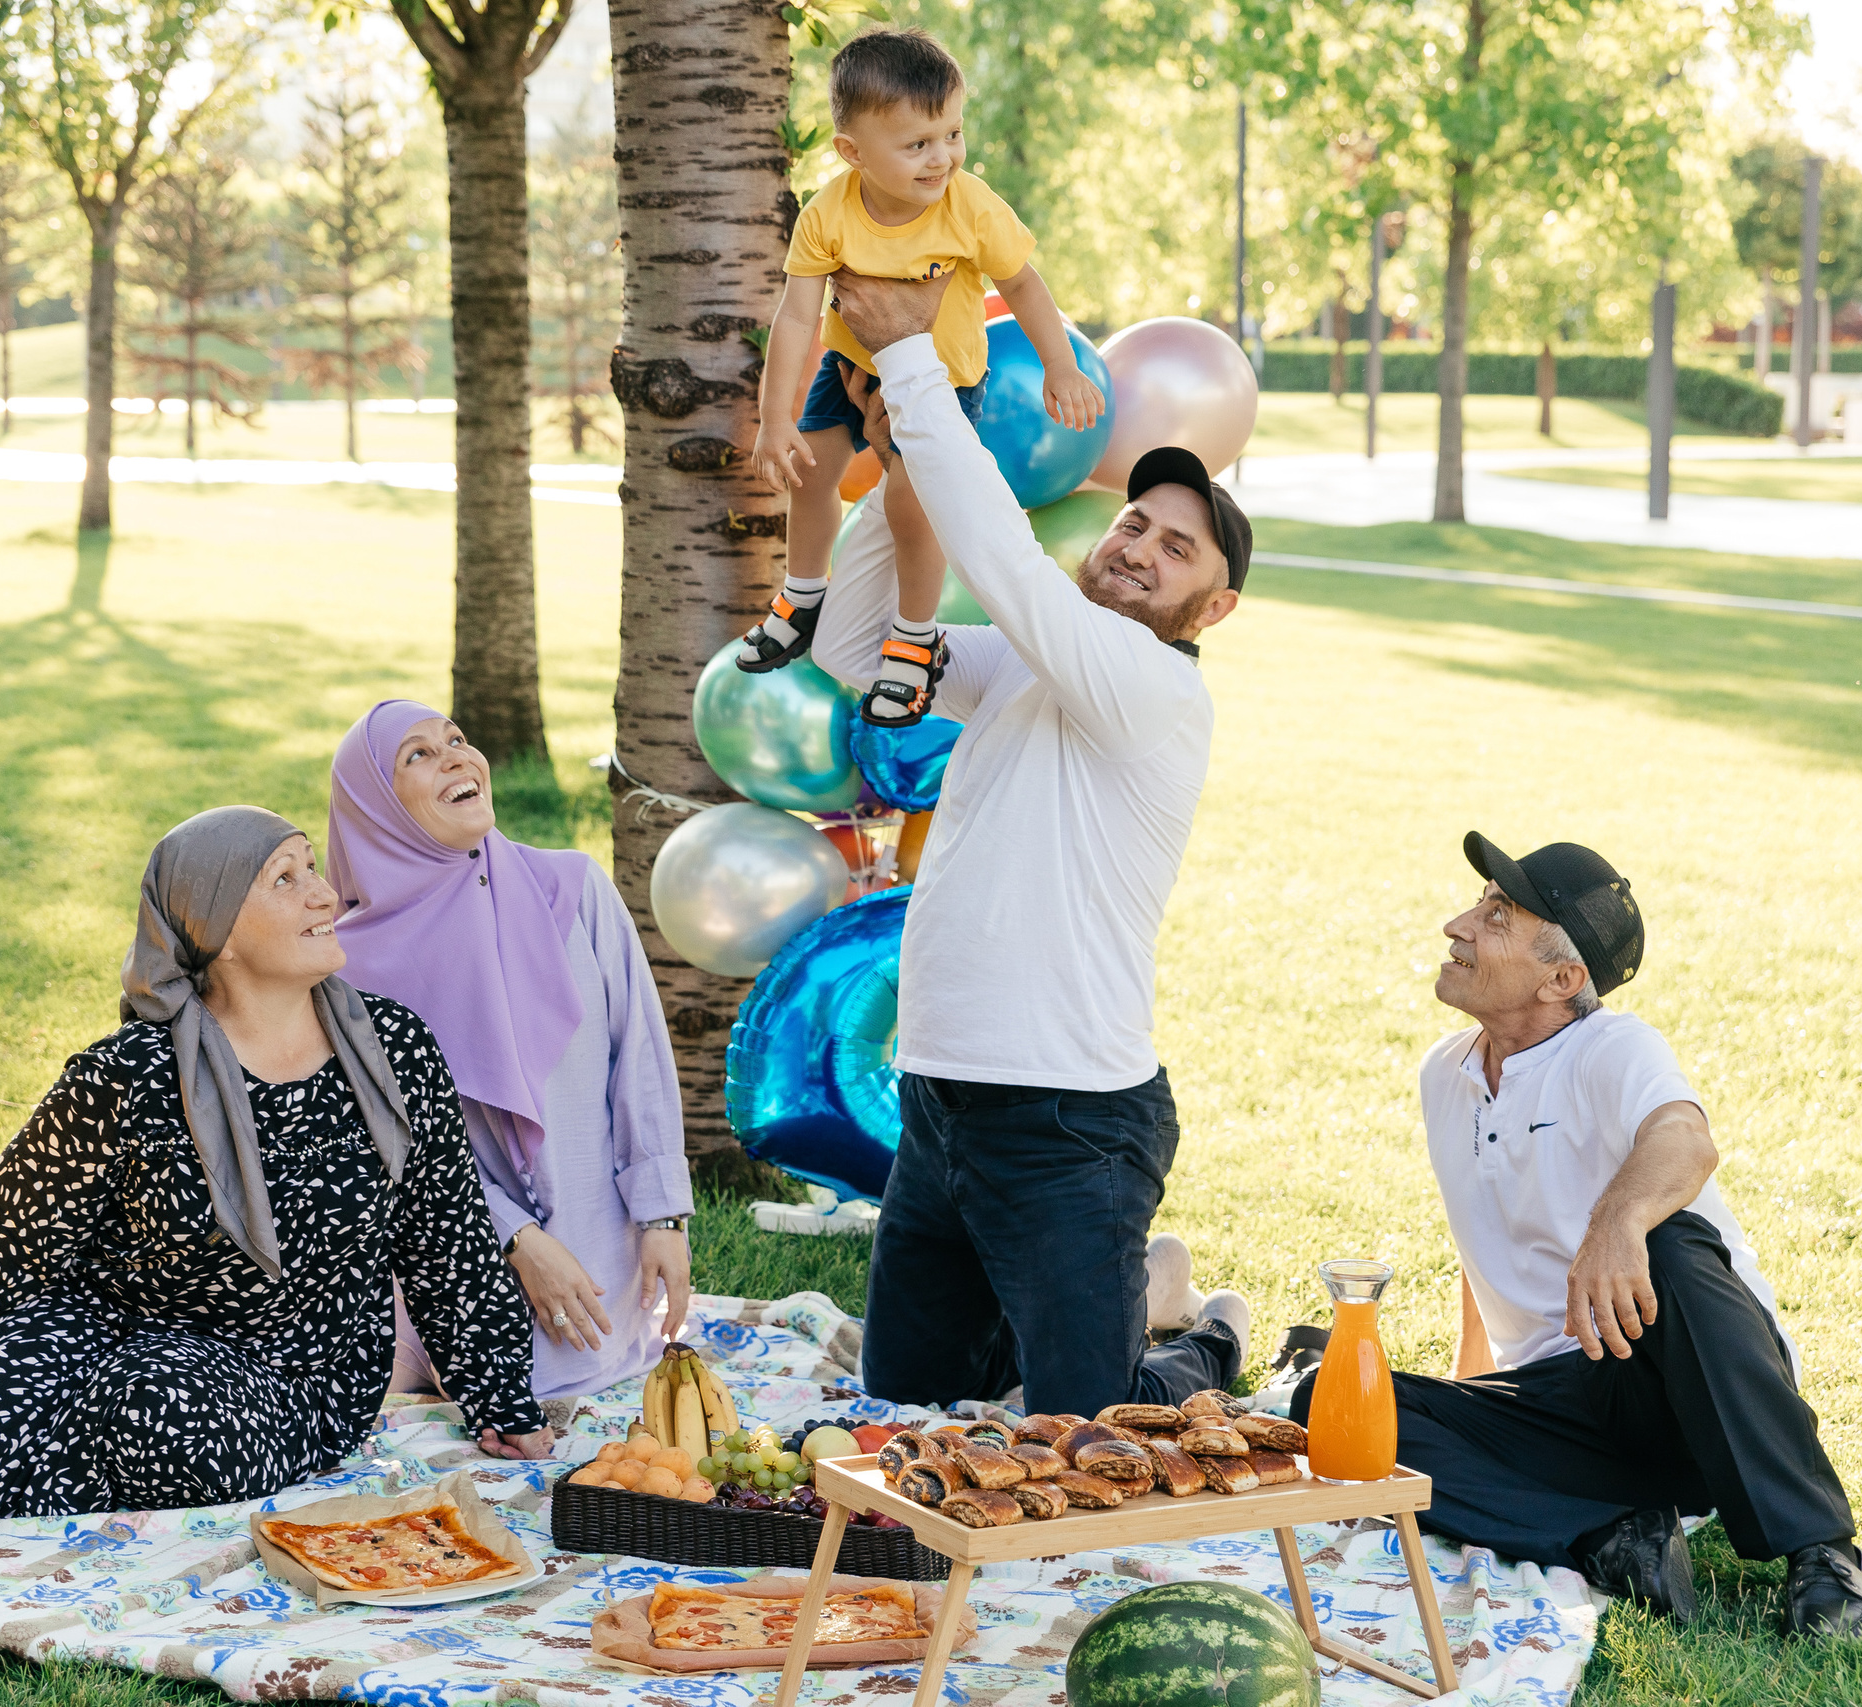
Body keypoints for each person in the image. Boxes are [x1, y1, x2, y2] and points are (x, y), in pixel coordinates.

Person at [803, 267, 1254, 1419]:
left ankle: (1203, 1340)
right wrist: (891, 470)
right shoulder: (1026, 668)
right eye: (1132, 523)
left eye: (1178, 550)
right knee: (906, 1400)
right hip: (941, 1109)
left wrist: (912, 371)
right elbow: (858, 648)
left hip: (1068, 1125)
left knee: (1089, 1428)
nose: (1139, 548)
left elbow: (1005, 565)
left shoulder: (1154, 688)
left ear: (1212, 608)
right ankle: (1109, 1298)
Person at [0, 806, 549, 1525]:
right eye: (286, 878)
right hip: (104, 1326)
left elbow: (448, 1239)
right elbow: (0, 1242)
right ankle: (64, 1459)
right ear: (217, 932)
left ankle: (70, 1463)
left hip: (293, 1375)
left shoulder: (393, 1049)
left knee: (160, 1406)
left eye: (313, 868)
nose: (324, 895)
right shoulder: (130, 1074)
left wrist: (501, 1398)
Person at [1291, 834, 1862, 1638]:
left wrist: (1618, 1222)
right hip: (1567, 1405)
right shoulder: (1445, 1072)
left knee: (1671, 1245)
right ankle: (1613, 1536)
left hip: (1693, 1384)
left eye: (1495, 916)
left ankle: (1824, 1553)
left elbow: (1685, 1138)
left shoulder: (1613, 1047)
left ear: (1563, 978)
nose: (1456, 924)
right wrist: (1470, 1401)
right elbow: (1488, 1241)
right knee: (1328, 1400)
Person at [325, 700, 695, 1402]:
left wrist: (663, 1216)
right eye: (419, 754)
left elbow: (637, 1058)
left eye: (458, 739)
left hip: (603, 1260)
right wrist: (514, 1236)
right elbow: (389, 1155)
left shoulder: (575, 889)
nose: (458, 757)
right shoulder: (346, 971)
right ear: (375, 806)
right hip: (455, 1266)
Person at [736, 26, 1104, 729]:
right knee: (811, 472)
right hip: (852, 364)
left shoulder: (971, 206)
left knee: (913, 504)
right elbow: (794, 318)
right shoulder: (827, 212)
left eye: (953, 134)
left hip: (946, 385)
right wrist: (775, 418)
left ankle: (912, 635)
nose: (943, 158)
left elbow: (1022, 284)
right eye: (918, 145)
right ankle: (802, 595)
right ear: (853, 152)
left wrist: (1060, 361)